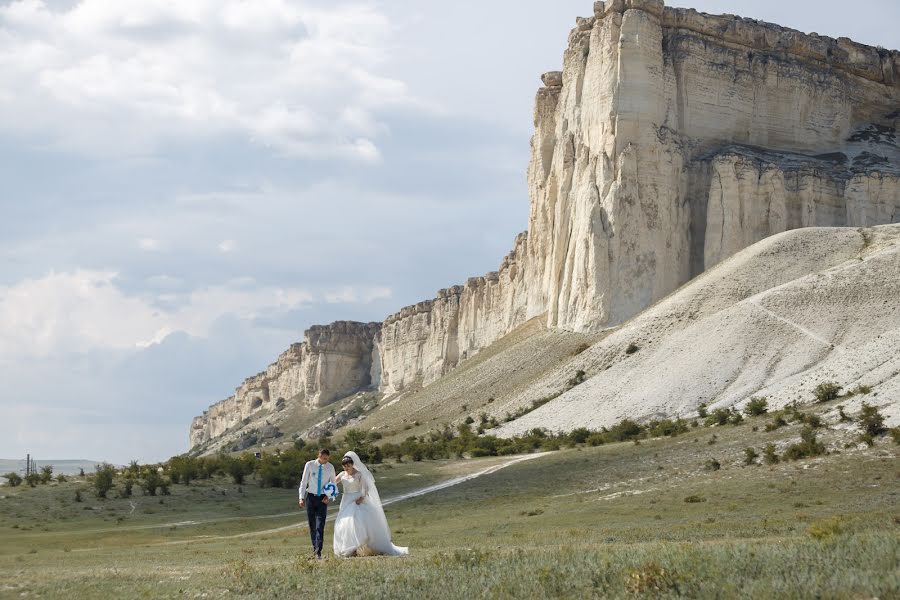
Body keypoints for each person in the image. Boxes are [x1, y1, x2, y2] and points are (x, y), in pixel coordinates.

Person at [333, 450, 408, 557]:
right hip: (346, 500)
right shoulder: (342, 474)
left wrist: (362, 498)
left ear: (352, 464)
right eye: (344, 466)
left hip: (357, 499)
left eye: (348, 466)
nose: (346, 468)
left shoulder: (359, 474)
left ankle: (356, 546)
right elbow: (333, 483)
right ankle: (348, 549)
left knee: (355, 522)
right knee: (343, 523)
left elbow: (366, 488)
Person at [298, 448, 337, 559]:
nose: (325, 461)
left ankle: (318, 551)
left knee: (320, 525)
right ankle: (315, 548)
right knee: (312, 525)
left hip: (322, 499)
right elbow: (304, 481)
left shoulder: (330, 467)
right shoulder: (309, 465)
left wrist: (328, 496)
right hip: (310, 497)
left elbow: (333, 483)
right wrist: (301, 497)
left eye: (327, 459)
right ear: (319, 456)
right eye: (323, 458)